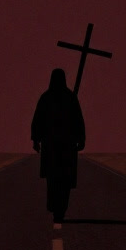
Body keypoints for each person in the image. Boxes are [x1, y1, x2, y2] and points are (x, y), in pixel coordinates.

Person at [30, 68, 85, 222]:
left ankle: (57, 208)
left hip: (57, 146)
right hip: (61, 147)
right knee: (58, 179)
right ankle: (58, 208)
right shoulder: (69, 98)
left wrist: (36, 140)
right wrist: (81, 139)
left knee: (57, 179)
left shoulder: (48, 98)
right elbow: (78, 120)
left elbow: (38, 120)